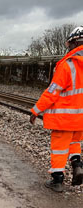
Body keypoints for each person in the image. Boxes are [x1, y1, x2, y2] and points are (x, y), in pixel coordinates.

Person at [30, 26, 83, 192]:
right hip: (81, 118)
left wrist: (35, 110)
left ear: (74, 42)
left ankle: (57, 180)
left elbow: (52, 92)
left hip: (64, 118)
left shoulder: (68, 65)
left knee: (59, 148)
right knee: (75, 143)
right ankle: (77, 164)